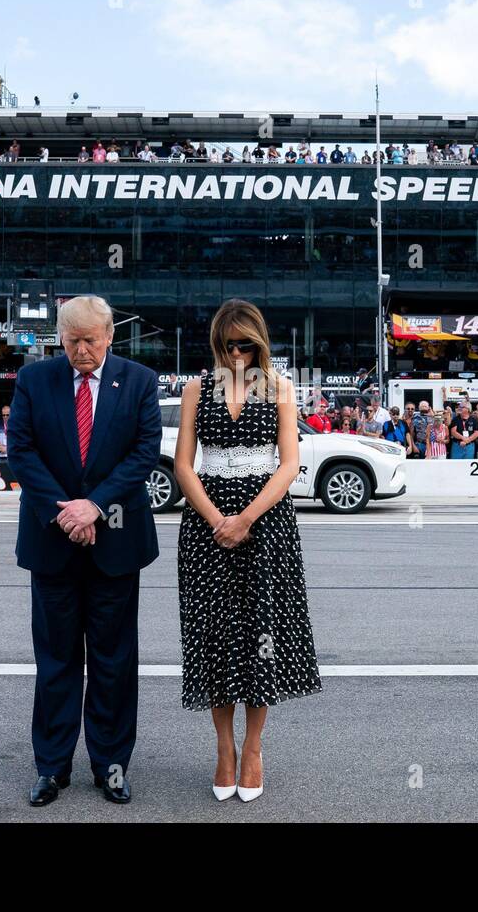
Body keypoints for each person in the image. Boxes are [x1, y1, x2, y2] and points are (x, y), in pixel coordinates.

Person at [7, 295, 162, 809]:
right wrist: (66, 513)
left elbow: (143, 453)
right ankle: (51, 767)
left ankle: (111, 765)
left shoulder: (138, 381)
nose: (80, 350)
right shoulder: (34, 380)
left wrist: (93, 506)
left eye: (89, 340)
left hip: (116, 543)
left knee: (115, 661)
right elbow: (21, 452)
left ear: (110, 335)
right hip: (52, 542)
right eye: (71, 340)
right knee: (55, 660)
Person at [171, 299, 320, 804]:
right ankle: (223, 748)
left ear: (260, 344)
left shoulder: (280, 388)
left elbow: (288, 464)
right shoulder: (196, 389)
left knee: (262, 634)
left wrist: (246, 519)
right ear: (216, 342)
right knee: (216, 637)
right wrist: (218, 521)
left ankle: (254, 748)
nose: (237, 353)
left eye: (247, 344)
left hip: (267, 523)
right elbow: (183, 466)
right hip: (207, 526)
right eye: (228, 343)